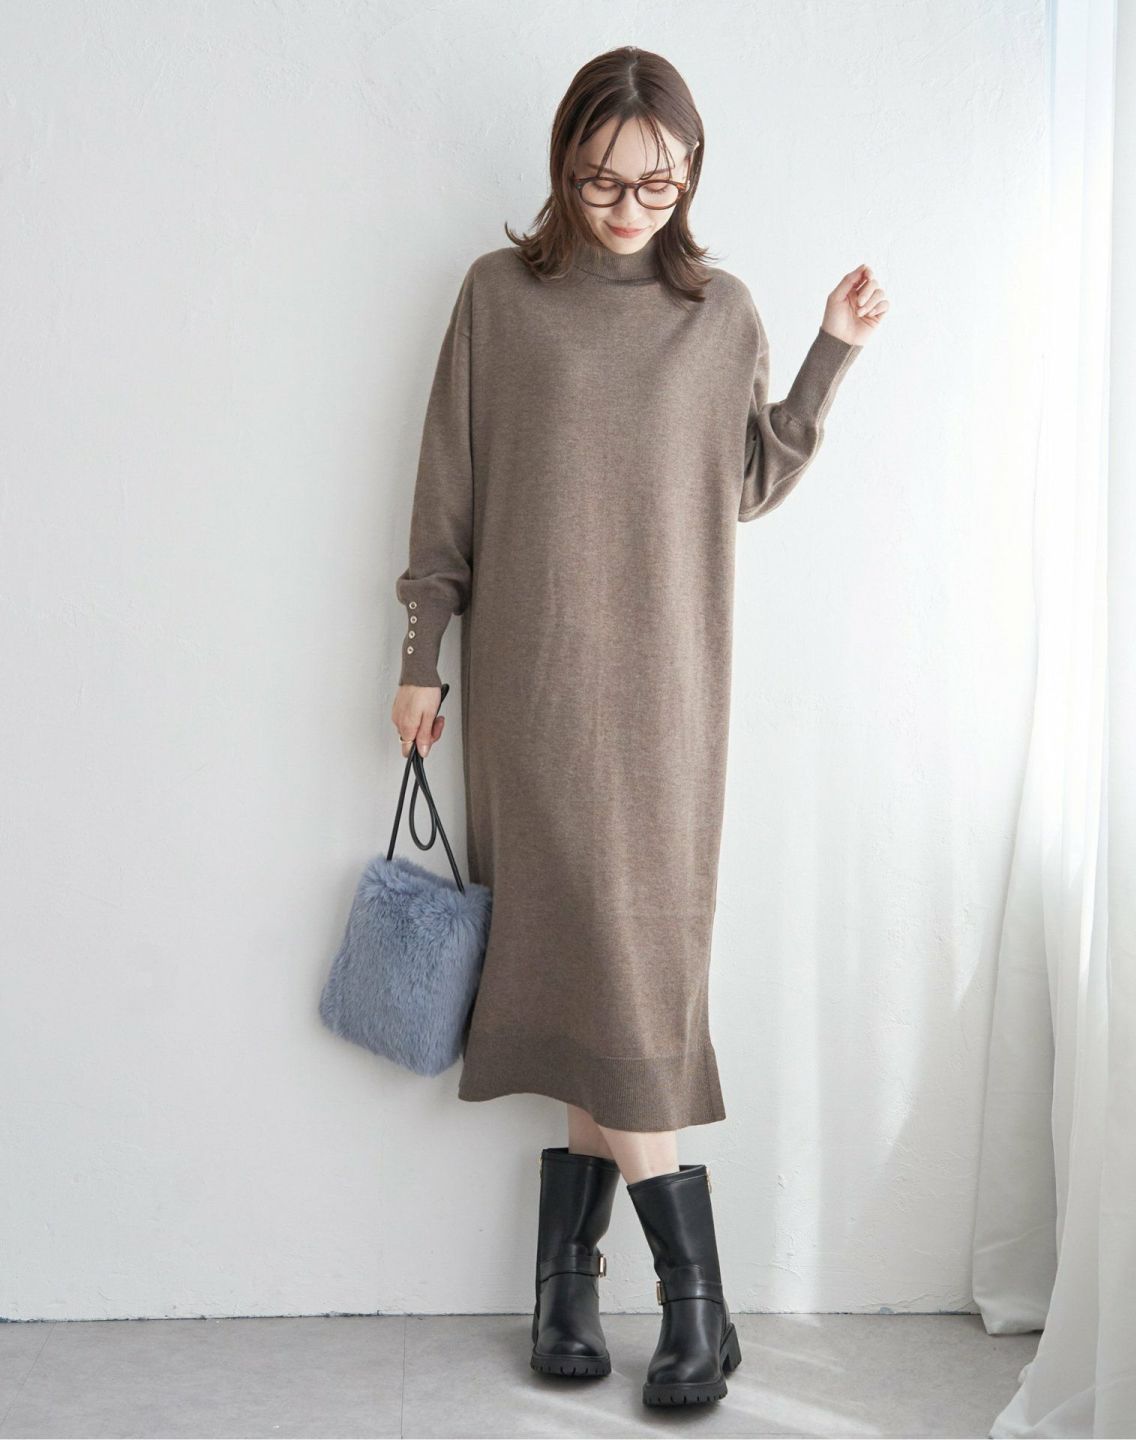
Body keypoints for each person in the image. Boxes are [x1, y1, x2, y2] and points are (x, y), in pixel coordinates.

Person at [390, 46, 886, 1409]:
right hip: (532, 693)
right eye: (604, 182)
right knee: (579, 970)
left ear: (691, 176)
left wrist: (832, 352)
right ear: (565, 166)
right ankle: (674, 1306)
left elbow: (749, 478)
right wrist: (423, 652)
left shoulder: (718, 314)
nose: (627, 208)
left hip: (668, 694)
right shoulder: (499, 298)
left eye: (656, 186)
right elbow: (446, 489)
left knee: (619, 974)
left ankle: (598, 1294)